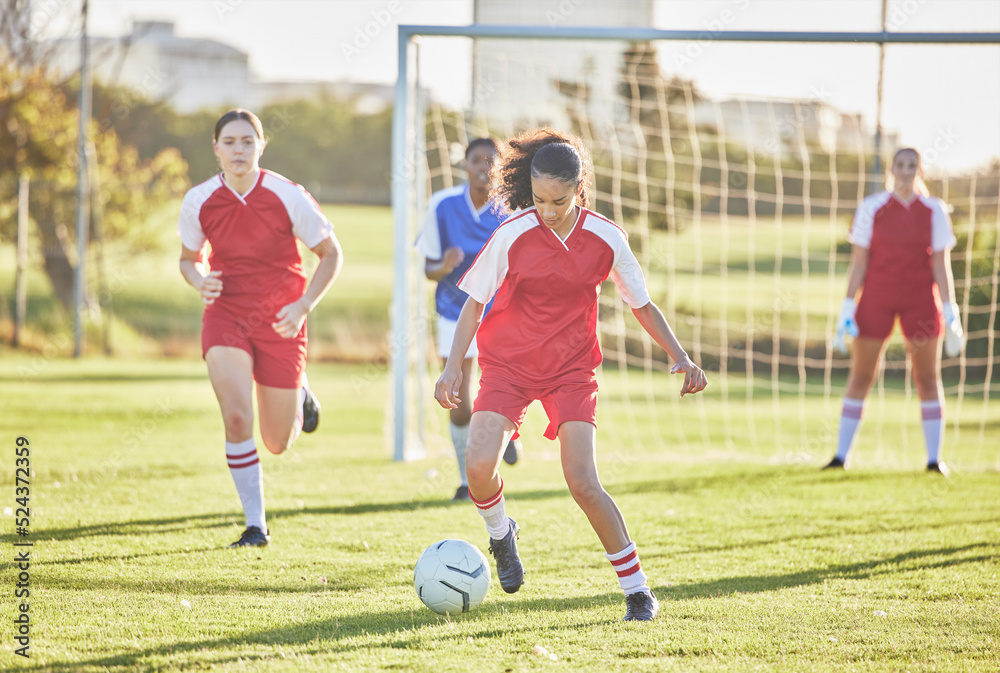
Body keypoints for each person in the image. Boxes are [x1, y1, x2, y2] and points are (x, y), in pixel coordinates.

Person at [434, 128, 707, 622]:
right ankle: (501, 534)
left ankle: (638, 591)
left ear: (579, 190)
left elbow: (641, 305)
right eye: (539, 199)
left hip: (571, 371)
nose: (548, 209)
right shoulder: (512, 235)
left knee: (582, 481)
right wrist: (454, 366)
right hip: (508, 367)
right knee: (477, 467)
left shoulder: (606, 238)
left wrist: (681, 356)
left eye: (558, 200)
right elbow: (473, 303)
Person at [178, 109, 343, 548]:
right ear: (215, 148)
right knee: (236, 415)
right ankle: (256, 526)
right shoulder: (199, 199)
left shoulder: (288, 195)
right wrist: (199, 280)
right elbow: (187, 260)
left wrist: (305, 304)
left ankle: (299, 392)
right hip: (226, 314)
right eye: (229, 141)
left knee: (277, 442)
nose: (238, 149)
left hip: (281, 321)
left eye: (247, 141)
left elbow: (331, 254)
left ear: (261, 145)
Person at [827, 147, 965, 475]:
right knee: (862, 375)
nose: (905, 170)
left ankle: (934, 460)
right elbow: (859, 263)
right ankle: (840, 457)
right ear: (892, 168)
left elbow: (940, 264)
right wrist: (847, 307)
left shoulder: (934, 210)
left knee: (927, 377)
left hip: (919, 298)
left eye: (912, 165)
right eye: (900, 164)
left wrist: (951, 310)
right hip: (877, 296)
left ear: (920, 170)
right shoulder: (871, 207)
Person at [417, 138, 522, 502]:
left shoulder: (512, 209)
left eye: (491, 162)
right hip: (453, 311)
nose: (484, 167)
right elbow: (428, 268)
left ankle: (483, 464)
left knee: (503, 389)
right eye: (477, 160)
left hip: (503, 313)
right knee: (459, 401)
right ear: (464, 165)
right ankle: (468, 472)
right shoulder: (442, 205)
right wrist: (442, 265)